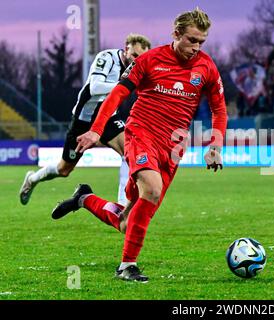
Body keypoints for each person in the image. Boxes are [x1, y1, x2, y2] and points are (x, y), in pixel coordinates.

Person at [51, 8, 227, 282]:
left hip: (173, 147)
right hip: (142, 133)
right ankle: (127, 266)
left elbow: (219, 108)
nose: (196, 47)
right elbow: (118, 94)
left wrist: (215, 144)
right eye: (192, 40)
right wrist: (97, 131)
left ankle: (84, 198)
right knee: (152, 190)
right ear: (176, 34)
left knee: (126, 221)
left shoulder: (206, 66)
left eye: (201, 42)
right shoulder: (150, 59)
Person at [19, 34, 151, 207]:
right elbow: (95, 87)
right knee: (64, 169)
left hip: (109, 118)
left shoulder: (136, 70)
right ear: (126, 49)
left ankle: (122, 207)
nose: (136, 62)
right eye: (134, 56)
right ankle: (33, 178)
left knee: (129, 152)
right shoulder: (107, 58)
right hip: (84, 120)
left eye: (140, 58)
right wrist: (127, 85)